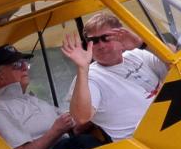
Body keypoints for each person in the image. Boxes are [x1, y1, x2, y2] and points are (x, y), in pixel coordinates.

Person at [0, 44, 102, 149]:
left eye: (24, 63)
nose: (25, 67)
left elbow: (74, 126)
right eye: (17, 65)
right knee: (84, 143)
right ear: (0, 76)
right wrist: (56, 130)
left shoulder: (34, 99)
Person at [60, 11, 169, 140]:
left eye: (106, 38)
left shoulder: (137, 54)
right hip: (143, 143)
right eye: (93, 41)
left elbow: (177, 61)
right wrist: (82, 68)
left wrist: (142, 43)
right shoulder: (90, 76)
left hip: (173, 123)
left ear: (121, 36)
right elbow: (80, 118)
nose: (100, 45)